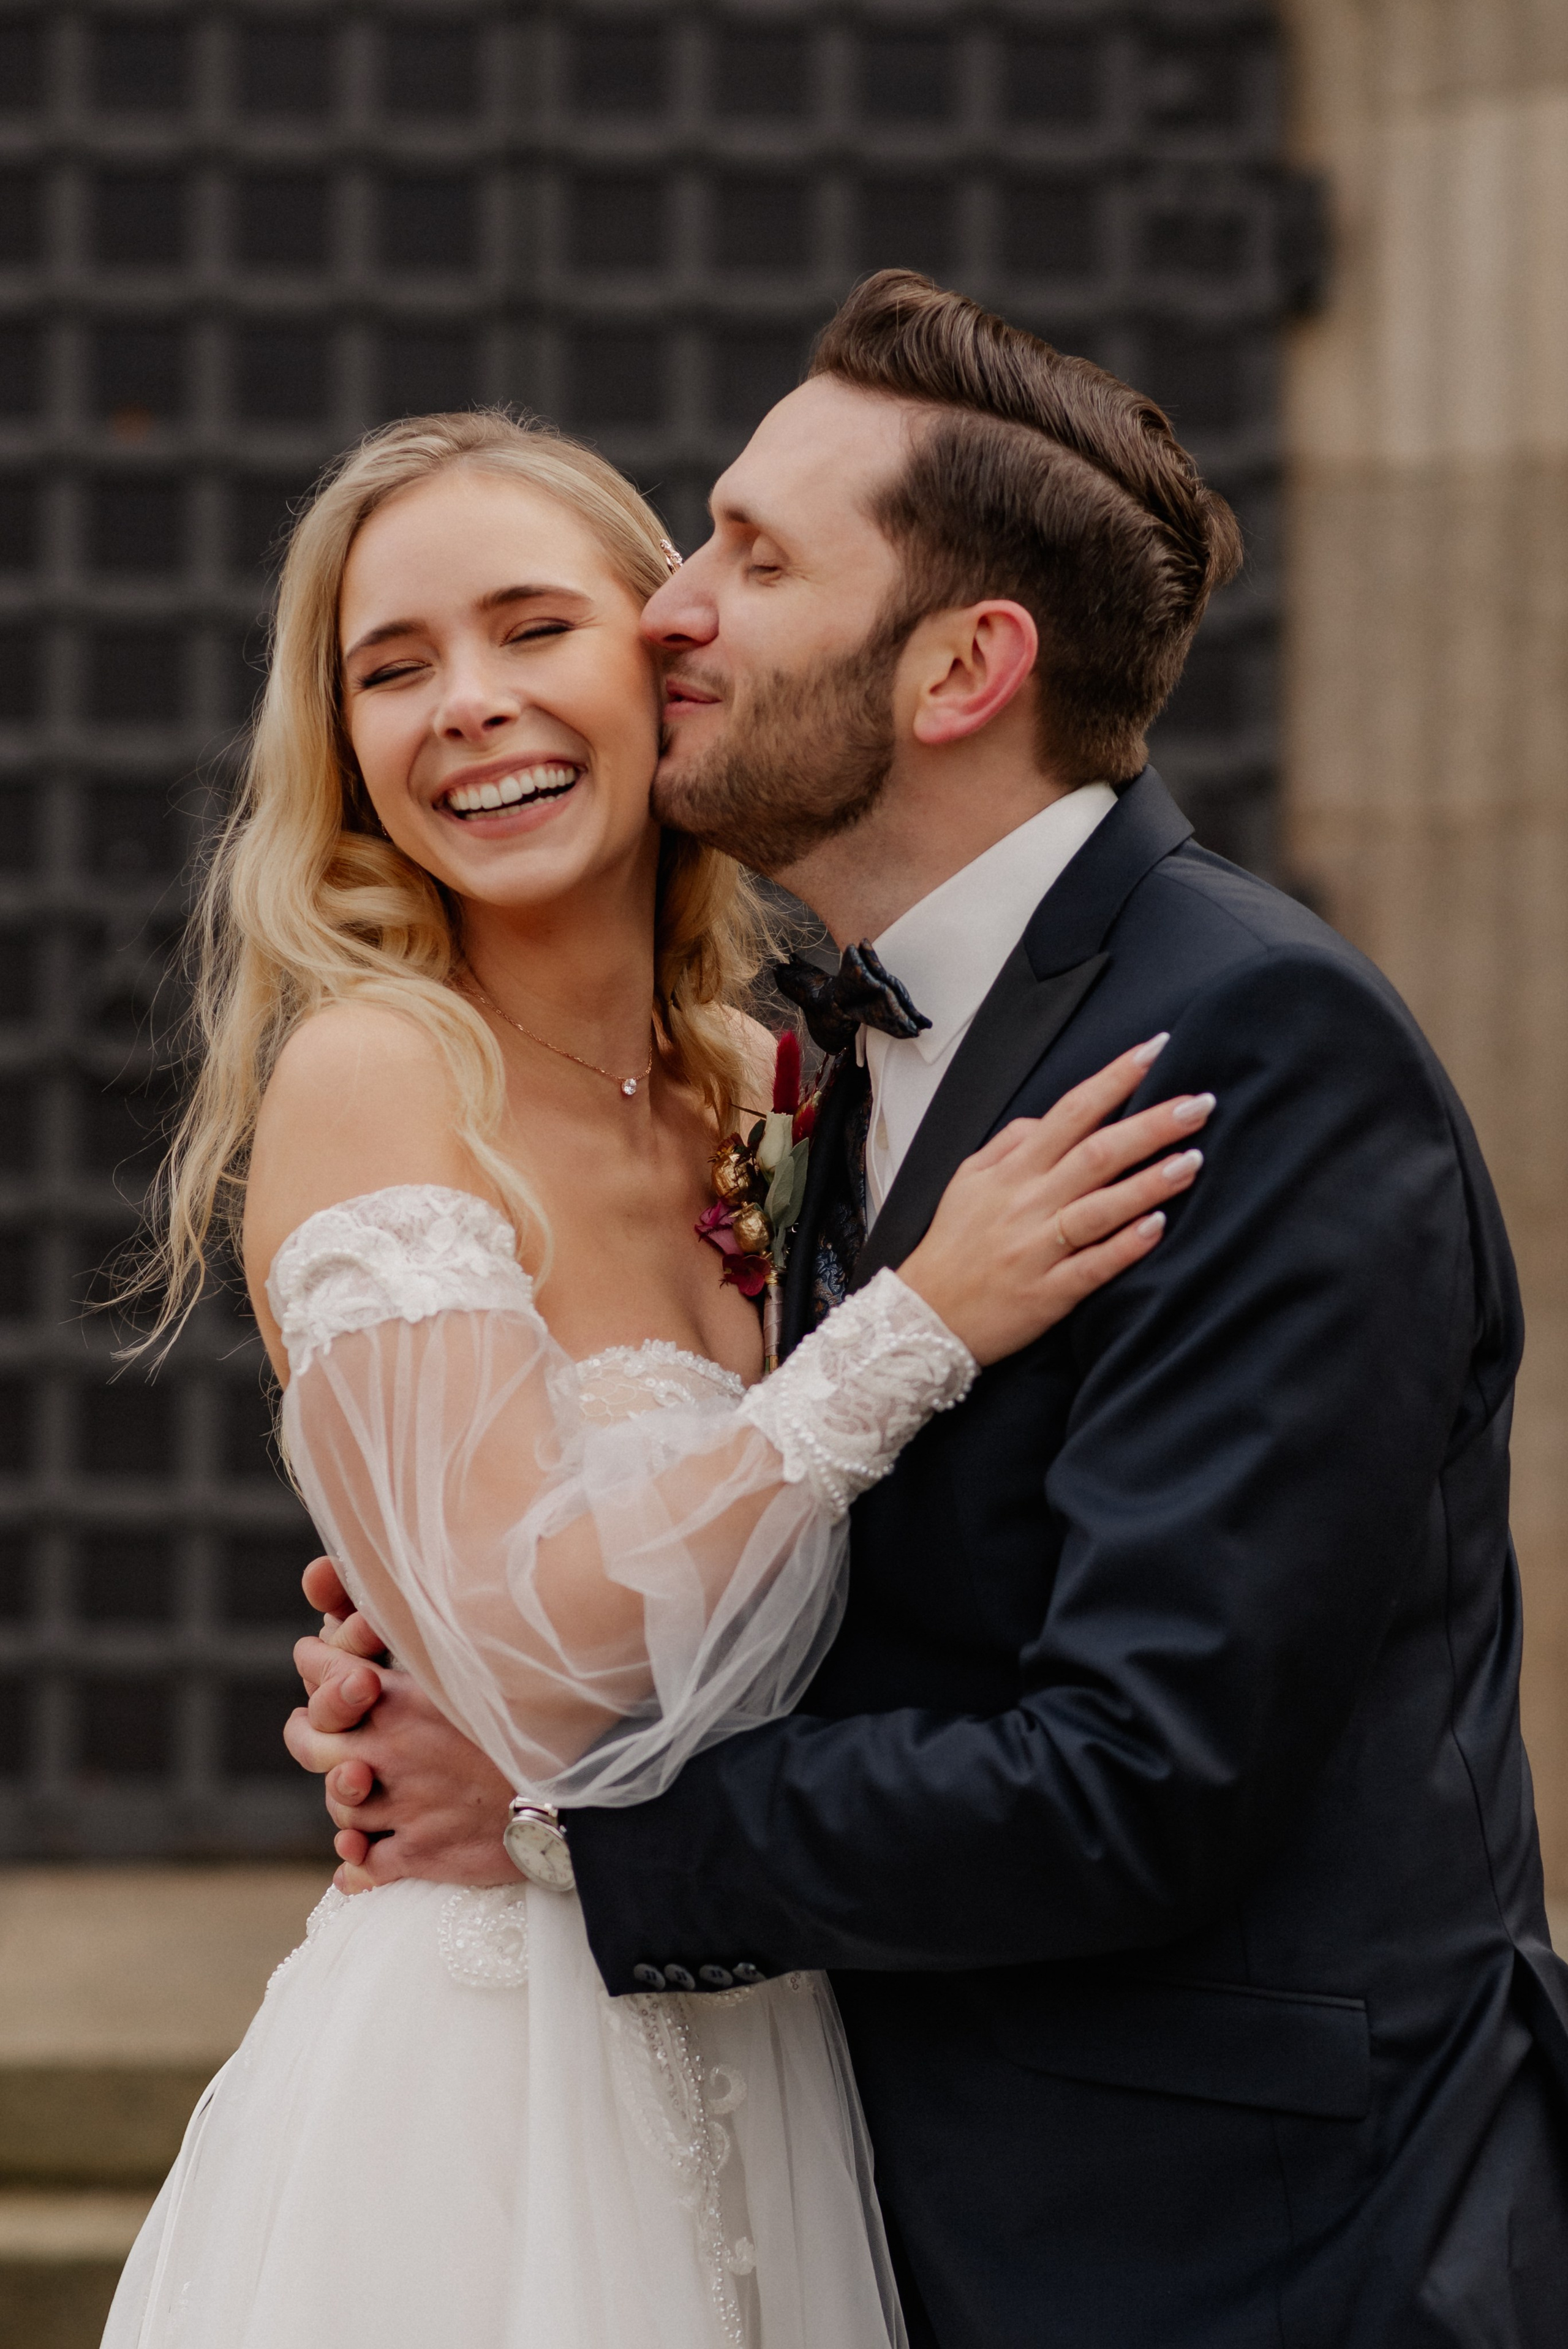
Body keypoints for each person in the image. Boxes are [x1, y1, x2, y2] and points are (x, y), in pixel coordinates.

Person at [298, 273, 1568, 2348]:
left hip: (1239, 2252)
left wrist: (562, 1828)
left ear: (966, 665)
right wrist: (468, 1651)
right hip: (900, 2199)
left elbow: (1135, 1770)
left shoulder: (1243, 1043)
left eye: (753, 555)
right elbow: (844, 1582)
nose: (668, 609)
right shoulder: (818, 1061)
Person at [100, 403, 1210, 2349]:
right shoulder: (377, 1076)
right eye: (391, 666)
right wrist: (913, 1327)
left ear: (665, 650)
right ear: (341, 747)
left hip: (779, 2022)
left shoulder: (769, 1086)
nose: (468, 704)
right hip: (488, 2086)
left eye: (534, 627)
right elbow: (532, 1670)